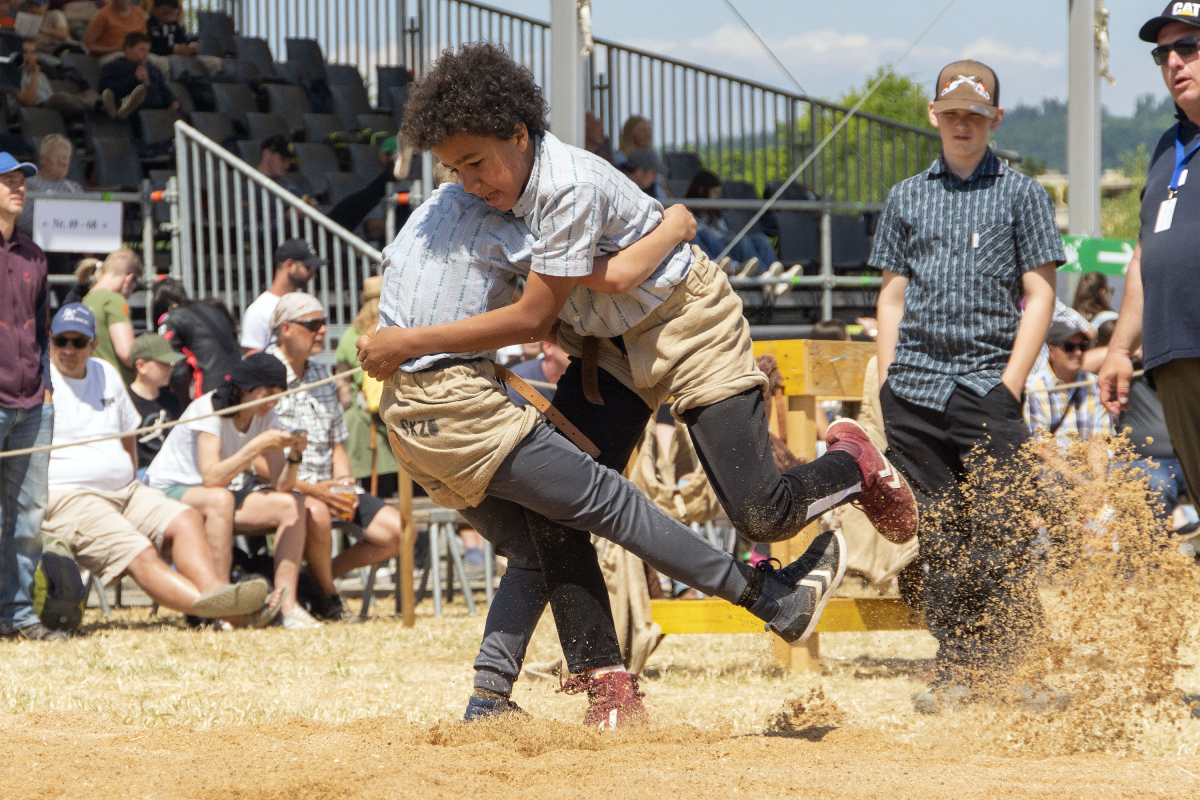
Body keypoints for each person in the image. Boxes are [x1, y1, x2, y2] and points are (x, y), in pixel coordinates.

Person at [367, 47, 915, 722]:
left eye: (477, 163)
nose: (470, 182)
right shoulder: (487, 200)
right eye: (455, 170)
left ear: (518, 134)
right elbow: (603, 272)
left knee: (760, 513)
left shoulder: (564, 186)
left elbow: (569, 298)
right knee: (552, 511)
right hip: (608, 347)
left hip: (686, 323)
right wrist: (673, 221)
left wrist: (676, 225)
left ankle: (852, 466)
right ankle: (607, 685)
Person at [871, 60, 1064, 713]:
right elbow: (892, 296)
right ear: (933, 114)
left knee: (1004, 527)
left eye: (974, 114)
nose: (961, 123)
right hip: (916, 390)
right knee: (945, 534)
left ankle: (1018, 667)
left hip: (988, 384)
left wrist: (1009, 385)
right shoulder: (905, 197)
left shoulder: (1023, 194)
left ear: (994, 120)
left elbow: (1040, 294)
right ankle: (958, 666)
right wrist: (891, 376)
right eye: (952, 112)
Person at [42, 304, 272, 625]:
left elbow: (128, 435)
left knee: (187, 519)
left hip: (126, 491)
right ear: (48, 340)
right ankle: (231, 612)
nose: (68, 349)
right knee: (139, 550)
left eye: (78, 342)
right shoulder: (39, 383)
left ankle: (219, 600)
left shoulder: (104, 372)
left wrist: (127, 479)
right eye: (60, 341)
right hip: (69, 497)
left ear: (93, 344)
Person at [1099, 5, 1200, 517]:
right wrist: (1119, 348)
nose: (1174, 62)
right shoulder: (1167, 147)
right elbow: (1147, 252)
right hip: (1173, 358)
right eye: (1164, 52)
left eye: (1189, 47)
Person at [144, 354, 322, 629]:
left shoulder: (266, 415)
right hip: (167, 491)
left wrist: (295, 456)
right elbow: (211, 476)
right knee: (221, 499)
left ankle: (287, 606)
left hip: (211, 495)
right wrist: (256, 446)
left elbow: (281, 485)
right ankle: (223, 604)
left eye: (278, 395)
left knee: (291, 503)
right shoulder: (210, 408)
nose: (273, 402)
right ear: (245, 388)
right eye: (267, 394)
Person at [267, 292, 403, 622]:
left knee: (397, 532)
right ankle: (330, 597)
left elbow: (336, 445)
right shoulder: (264, 375)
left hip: (327, 485)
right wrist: (317, 490)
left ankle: (313, 579)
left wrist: (343, 481)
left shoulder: (321, 375)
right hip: (284, 486)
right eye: (313, 324)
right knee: (315, 511)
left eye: (324, 323)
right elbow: (263, 461)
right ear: (286, 328)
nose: (323, 331)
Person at [0, 150, 59, 641]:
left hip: (32, 405)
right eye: (7, 180)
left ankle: (18, 616)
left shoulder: (34, 257)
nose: (18, 187)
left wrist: (48, 389)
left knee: (28, 519)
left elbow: (41, 331)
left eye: (21, 180)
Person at [333, 275, 400, 495]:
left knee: (372, 484)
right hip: (397, 410)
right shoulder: (399, 327)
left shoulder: (351, 334)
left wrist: (350, 406)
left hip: (364, 418)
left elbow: (342, 383)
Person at [1024, 321, 1114, 450]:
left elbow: (1099, 442)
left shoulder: (1095, 385)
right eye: (1069, 347)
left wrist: (1095, 471)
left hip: (1087, 466)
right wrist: (1071, 471)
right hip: (1050, 468)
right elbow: (1040, 447)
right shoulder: (1034, 388)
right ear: (1051, 350)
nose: (1078, 353)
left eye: (1083, 346)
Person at [152, 277, 241, 400]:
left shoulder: (172, 318)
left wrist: (181, 404)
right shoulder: (214, 307)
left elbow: (176, 370)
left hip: (209, 393)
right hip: (238, 386)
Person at [240, 238, 323, 356]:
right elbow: (253, 362)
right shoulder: (259, 310)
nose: (313, 274)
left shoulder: (302, 305)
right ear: (289, 265)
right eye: (309, 267)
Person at [684, 170, 777, 274]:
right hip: (714, 245)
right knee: (741, 241)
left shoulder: (715, 211)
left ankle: (775, 271)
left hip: (725, 242)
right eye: (714, 193)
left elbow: (724, 231)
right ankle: (763, 274)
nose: (717, 197)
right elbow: (700, 235)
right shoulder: (688, 211)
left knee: (761, 239)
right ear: (701, 191)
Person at [126, 332, 183, 478]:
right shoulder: (125, 400)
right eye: (163, 364)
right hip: (141, 472)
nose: (170, 368)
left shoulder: (171, 400)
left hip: (172, 471)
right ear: (141, 366)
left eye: (171, 363)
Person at [81, 248, 141, 384]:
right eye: (134, 287)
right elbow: (126, 352)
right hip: (118, 387)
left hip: (93, 384)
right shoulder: (114, 300)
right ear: (129, 278)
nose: (131, 293)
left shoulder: (86, 300)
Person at [16, 134, 84, 239]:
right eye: (58, 157)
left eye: (66, 158)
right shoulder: (28, 184)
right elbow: (22, 221)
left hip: (71, 243)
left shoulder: (75, 188)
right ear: (43, 159)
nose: (63, 163)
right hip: (36, 243)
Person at [15, 38, 100, 120]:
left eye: (33, 53)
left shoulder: (41, 75)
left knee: (89, 93)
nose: (29, 56)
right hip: (35, 109)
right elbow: (28, 102)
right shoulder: (15, 75)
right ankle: (96, 106)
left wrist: (36, 73)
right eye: (25, 52)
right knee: (59, 97)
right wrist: (35, 74)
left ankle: (100, 104)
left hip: (50, 109)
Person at [97, 31, 175, 119]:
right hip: (134, 111)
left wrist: (172, 100)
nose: (146, 54)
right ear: (128, 48)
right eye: (142, 50)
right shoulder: (113, 67)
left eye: (147, 50)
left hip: (156, 110)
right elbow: (103, 88)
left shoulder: (154, 69)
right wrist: (134, 78)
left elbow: (163, 88)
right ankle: (123, 107)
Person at [505, 340, 568, 406]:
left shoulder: (577, 379)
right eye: (572, 344)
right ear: (548, 346)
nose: (578, 351)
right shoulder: (516, 382)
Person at [81, 0, 146, 62]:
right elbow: (86, 45)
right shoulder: (103, 15)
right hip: (111, 56)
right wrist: (115, 49)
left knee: (154, 62)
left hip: (136, 53)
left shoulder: (139, 13)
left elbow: (143, 39)